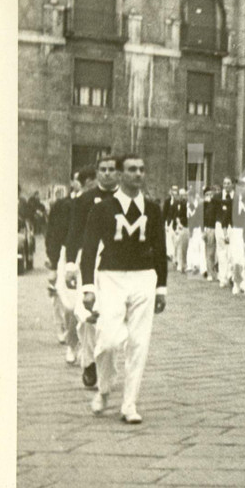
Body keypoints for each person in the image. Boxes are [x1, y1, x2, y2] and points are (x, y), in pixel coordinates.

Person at [80, 153, 167, 424]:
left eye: (141, 169)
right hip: (111, 277)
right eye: (132, 170)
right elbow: (90, 249)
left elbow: (160, 250)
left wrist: (161, 287)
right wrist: (88, 286)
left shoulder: (153, 209)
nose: (138, 174)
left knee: (139, 343)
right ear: (119, 174)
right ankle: (104, 389)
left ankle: (129, 403)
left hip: (144, 277)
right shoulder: (103, 209)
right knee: (106, 341)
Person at [64, 154, 122, 389]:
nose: (107, 173)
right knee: (89, 316)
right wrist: (70, 264)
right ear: (97, 173)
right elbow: (75, 232)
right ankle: (89, 363)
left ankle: (107, 368)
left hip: (118, 264)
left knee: (113, 319)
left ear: (118, 173)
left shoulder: (127, 199)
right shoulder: (86, 199)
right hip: (90, 262)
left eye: (111, 170)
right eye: (103, 169)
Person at [46, 171, 83, 365]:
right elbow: (52, 234)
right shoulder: (61, 206)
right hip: (65, 255)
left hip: (90, 255)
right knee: (69, 304)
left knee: (86, 305)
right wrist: (52, 264)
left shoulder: (97, 205)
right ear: (72, 182)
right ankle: (71, 341)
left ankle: (84, 347)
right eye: (78, 180)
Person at [214, 177, 235, 289]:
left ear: (232, 185)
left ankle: (231, 276)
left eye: (228, 183)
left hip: (232, 226)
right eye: (225, 183)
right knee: (221, 252)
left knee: (231, 252)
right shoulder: (217, 198)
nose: (226, 185)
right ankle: (223, 278)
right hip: (219, 225)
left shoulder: (236, 197)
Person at [202, 186, 219, 281]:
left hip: (217, 228)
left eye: (211, 194)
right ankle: (210, 272)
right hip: (209, 229)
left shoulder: (216, 204)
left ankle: (216, 271)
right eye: (207, 194)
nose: (209, 196)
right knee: (210, 252)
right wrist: (204, 230)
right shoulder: (204, 206)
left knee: (218, 253)